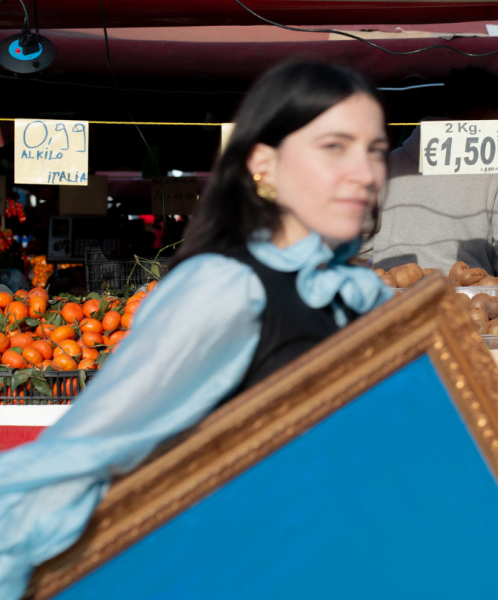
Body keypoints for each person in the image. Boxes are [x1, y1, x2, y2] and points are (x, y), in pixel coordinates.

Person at [0, 61, 393, 599]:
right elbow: (79, 456)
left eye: (375, 150)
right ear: (264, 163)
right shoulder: (227, 288)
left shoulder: (360, 296)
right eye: (334, 146)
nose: (366, 172)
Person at [372, 66, 498, 277]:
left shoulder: (387, 164)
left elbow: (360, 239)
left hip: (393, 299)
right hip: (467, 304)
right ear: (485, 116)